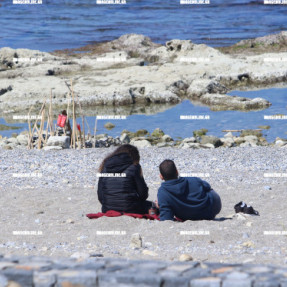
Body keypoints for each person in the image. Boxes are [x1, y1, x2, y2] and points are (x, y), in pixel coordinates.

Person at [157, 159, 221, 221]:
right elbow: (207, 186)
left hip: (186, 216)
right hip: (209, 212)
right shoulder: (193, 179)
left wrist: (160, 205)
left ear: (161, 176)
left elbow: (166, 218)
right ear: (177, 172)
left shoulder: (162, 192)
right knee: (209, 191)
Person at [97, 144, 152, 214]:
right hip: (130, 209)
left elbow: (100, 196)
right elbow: (143, 194)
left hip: (107, 208)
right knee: (151, 206)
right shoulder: (134, 167)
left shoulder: (105, 166)